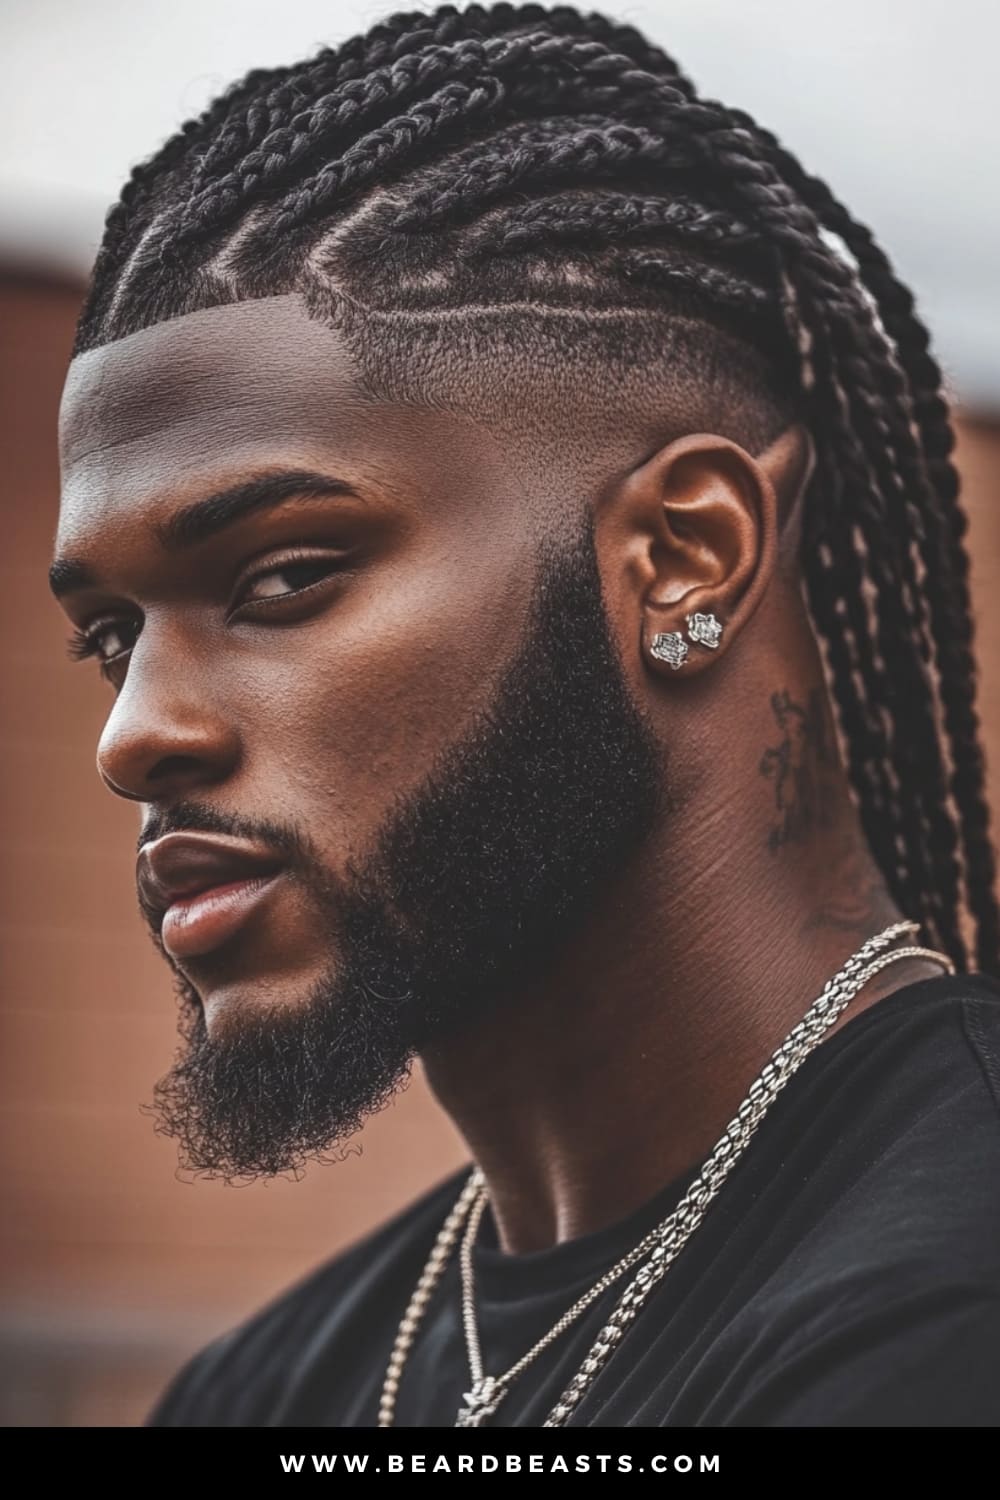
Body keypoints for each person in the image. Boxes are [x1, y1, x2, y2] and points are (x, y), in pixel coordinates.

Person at [50, 3, 1000, 1428]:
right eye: (111, 637)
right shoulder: (259, 1390)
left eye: (282, 578)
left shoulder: (942, 1314)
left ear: (684, 558)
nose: (134, 736)